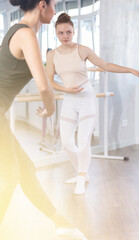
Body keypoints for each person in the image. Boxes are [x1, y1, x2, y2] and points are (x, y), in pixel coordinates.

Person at [0, 0, 87, 239]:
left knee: (25, 169)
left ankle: (61, 223)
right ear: (42, 5)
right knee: (10, 177)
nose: (55, 10)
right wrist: (49, 109)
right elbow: (44, 86)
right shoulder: (25, 34)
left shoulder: (20, 31)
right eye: (54, 4)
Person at [46, 13, 139, 195]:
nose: (65, 36)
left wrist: (130, 70)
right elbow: (49, 82)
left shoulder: (83, 50)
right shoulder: (52, 55)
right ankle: (82, 173)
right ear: (56, 34)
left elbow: (105, 65)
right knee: (67, 142)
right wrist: (66, 90)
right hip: (69, 99)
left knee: (83, 141)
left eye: (68, 32)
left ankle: (82, 177)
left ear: (74, 31)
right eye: (61, 33)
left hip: (86, 99)